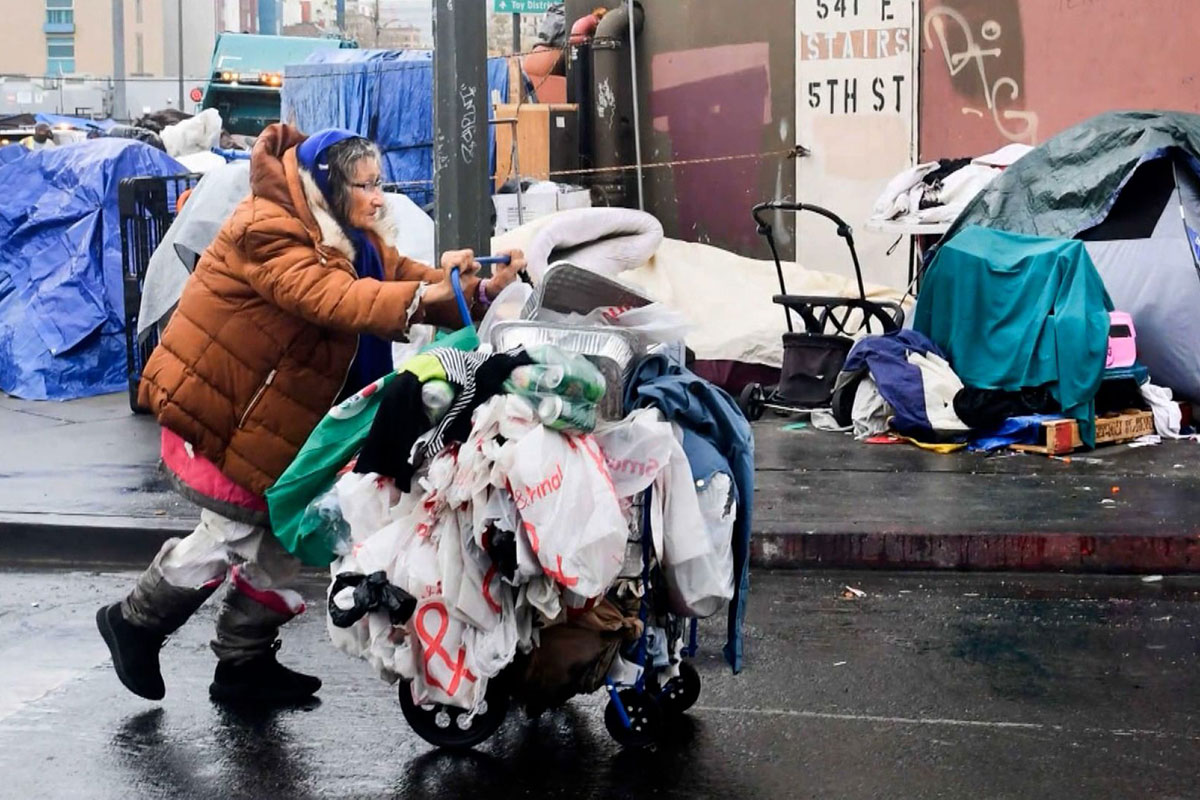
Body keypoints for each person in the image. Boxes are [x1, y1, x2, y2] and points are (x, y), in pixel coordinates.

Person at [96, 125, 526, 706]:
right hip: (230, 409)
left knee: (287, 540)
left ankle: (243, 664)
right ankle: (135, 621)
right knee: (232, 534)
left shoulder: (352, 235)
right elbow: (334, 298)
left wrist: (476, 290)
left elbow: (398, 277)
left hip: (281, 419)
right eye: (366, 185)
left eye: (380, 183)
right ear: (330, 183)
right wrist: (428, 297)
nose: (379, 197)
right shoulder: (267, 227)